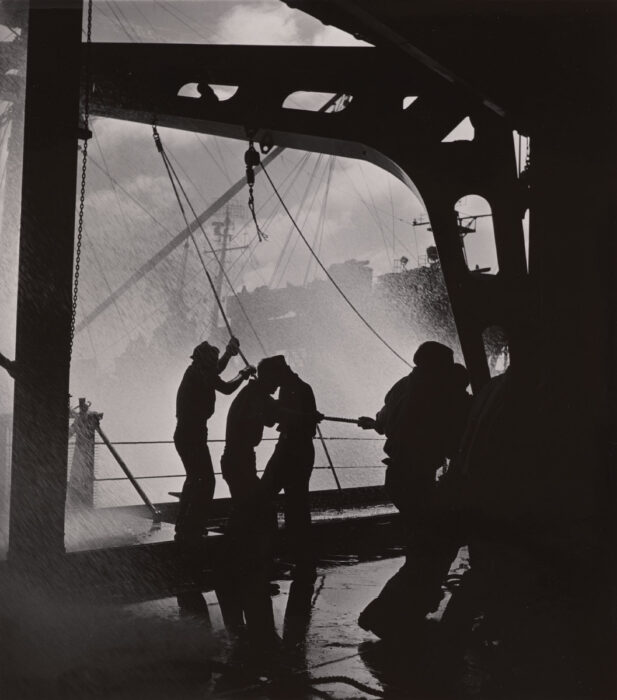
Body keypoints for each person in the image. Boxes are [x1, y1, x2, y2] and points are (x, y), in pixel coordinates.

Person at [356, 342, 471, 639]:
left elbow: (384, 421)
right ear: (439, 366)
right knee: (432, 545)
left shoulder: (403, 386)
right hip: (417, 477)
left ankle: (399, 609)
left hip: (396, 475)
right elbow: (456, 434)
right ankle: (387, 614)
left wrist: (376, 423)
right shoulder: (441, 394)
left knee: (423, 544)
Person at [219, 355, 289, 644]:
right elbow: (273, 417)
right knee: (257, 511)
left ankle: (234, 569)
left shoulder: (254, 393)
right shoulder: (254, 396)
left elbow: (272, 415)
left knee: (248, 512)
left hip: (239, 460)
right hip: (239, 460)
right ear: (269, 377)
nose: (278, 385)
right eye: (277, 380)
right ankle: (241, 568)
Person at [174, 336, 254, 546]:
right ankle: (192, 526)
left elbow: (216, 370)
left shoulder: (196, 371)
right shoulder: (201, 374)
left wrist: (229, 352)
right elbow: (227, 387)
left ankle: (184, 524)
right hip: (192, 435)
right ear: (205, 361)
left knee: (194, 479)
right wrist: (243, 374)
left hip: (188, 434)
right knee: (206, 481)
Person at [260, 359, 320, 580]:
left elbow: (289, 420)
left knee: (277, 499)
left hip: (293, 450)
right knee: (293, 503)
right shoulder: (295, 388)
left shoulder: (298, 389)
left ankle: (288, 555)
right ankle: (300, 557)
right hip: (292, 448)